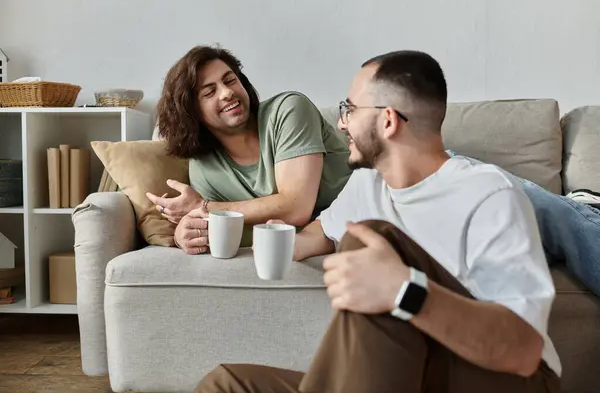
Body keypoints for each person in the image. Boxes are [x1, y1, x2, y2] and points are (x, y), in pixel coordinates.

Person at [194, 50, 561, 392]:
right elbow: (313, 235)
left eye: (349, 109)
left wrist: (405, 290)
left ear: (387, 120)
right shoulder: (367, 183)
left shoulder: (489, 195)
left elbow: (524, 351)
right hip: (399, 373)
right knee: (226, 384)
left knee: (371, 238)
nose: (340, 122)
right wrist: (222, 231)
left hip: (504, 377)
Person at [146, 45, 352, 252]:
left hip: (364, 223)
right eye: (209, 92)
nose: (227, 93)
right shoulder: (204, 166)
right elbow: (220, 232)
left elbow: (296, 207)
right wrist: (186, 233)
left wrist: (205, 207)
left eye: (230, 80)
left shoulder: (289, 110)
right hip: (299, 245)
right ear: (192, 112)